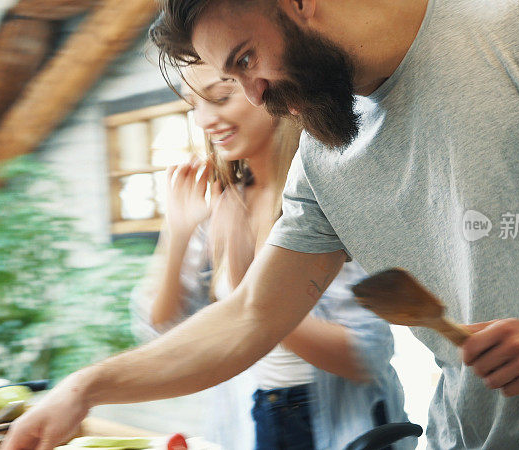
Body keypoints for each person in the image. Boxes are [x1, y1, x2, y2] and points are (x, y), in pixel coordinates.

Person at [3, 0, 519, 448]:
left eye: (244, 61)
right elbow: (249, 318)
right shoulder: (325, 158)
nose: (254, 98)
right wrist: (84, 387)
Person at [129, 63, 413, 450]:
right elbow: (161, 328)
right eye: (193, 104)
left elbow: (366, 354)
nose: (204, 120)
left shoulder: (329, 193)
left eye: (219, 97)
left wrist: (254, 290)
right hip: (259, 417)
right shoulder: (224, 203)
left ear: (267, 90)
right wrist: (176, 234)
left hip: (341, 425)